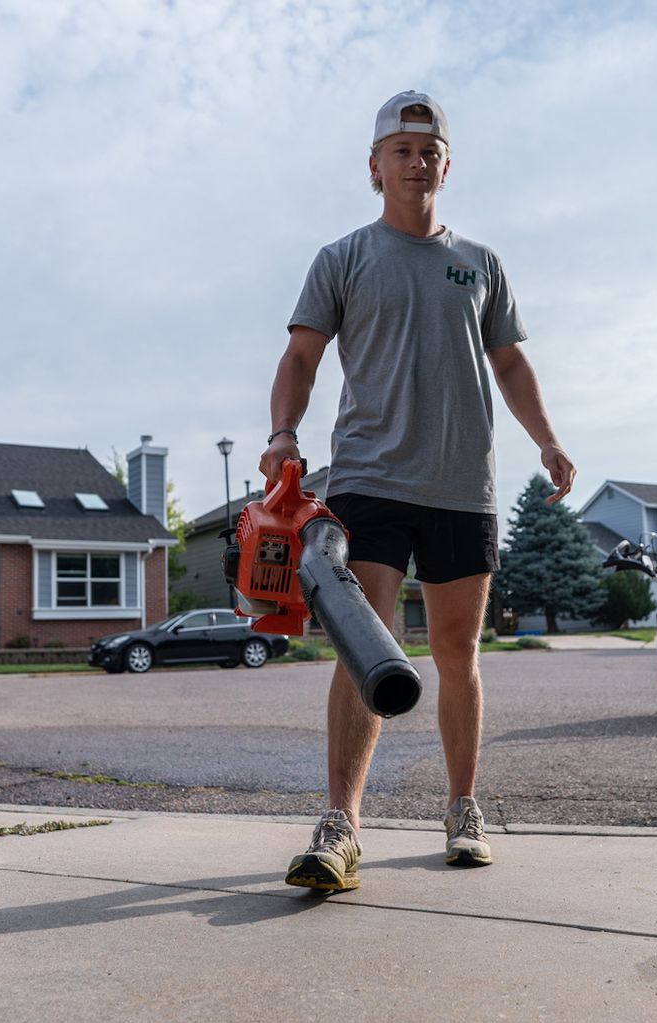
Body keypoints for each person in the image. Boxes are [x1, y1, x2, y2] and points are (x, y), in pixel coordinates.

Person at [259, 91, 576, 891]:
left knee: (456, 654)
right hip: (368, 478)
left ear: (446, 163)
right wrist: (283, 434)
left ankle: (463, 808)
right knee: (361, 650)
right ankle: (341, 825)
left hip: (463, 485)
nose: (415, 159)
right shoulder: (344, 258)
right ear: (375, 167)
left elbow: (508, 362)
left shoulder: (480, 263)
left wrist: (546, 437)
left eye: (428, 148)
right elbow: (301, 357)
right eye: (399, 149)